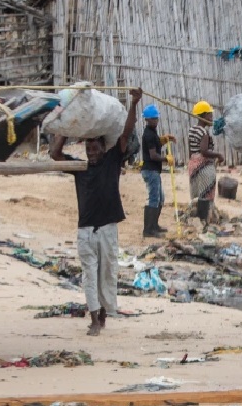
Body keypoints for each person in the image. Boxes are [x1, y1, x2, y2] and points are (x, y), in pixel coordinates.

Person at [49, 89, 143, 336]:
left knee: (106, 273)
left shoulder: (113, 161)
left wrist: (134, 103)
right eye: (88, 149)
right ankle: (93, 319)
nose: (91, 153)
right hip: (86, 230)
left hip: (108, 228)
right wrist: (66, 130)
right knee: (89, 275)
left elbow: (127, 131)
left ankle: (102, 315)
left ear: (103, 147)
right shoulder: (79, 167)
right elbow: (55, 155)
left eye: (95, 148)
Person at [140, 105, 174, 238]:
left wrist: (163, 140)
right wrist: (166, 158)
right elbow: (153, 155)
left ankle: (154, 225)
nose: (156, 120)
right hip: (150, 170)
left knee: (160, 199)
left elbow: (156, 144)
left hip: (154, 170)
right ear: (148, 120)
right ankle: (148, 230)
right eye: (154, 119)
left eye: (156, 118)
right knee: (153, 199)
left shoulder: (152, 132)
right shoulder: (148, 134)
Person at [189, 101, 223, 227]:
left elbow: (191, 152)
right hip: (204, 166)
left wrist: (193, 165)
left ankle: (197, 218)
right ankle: (204, 220)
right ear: (203, 116)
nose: (211, 118)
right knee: (205, 193)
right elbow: (204, 151)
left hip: (193, 164)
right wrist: (218, 155)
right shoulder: (203, 132)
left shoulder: (192, 130)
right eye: (209, 115)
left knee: (197, 193)